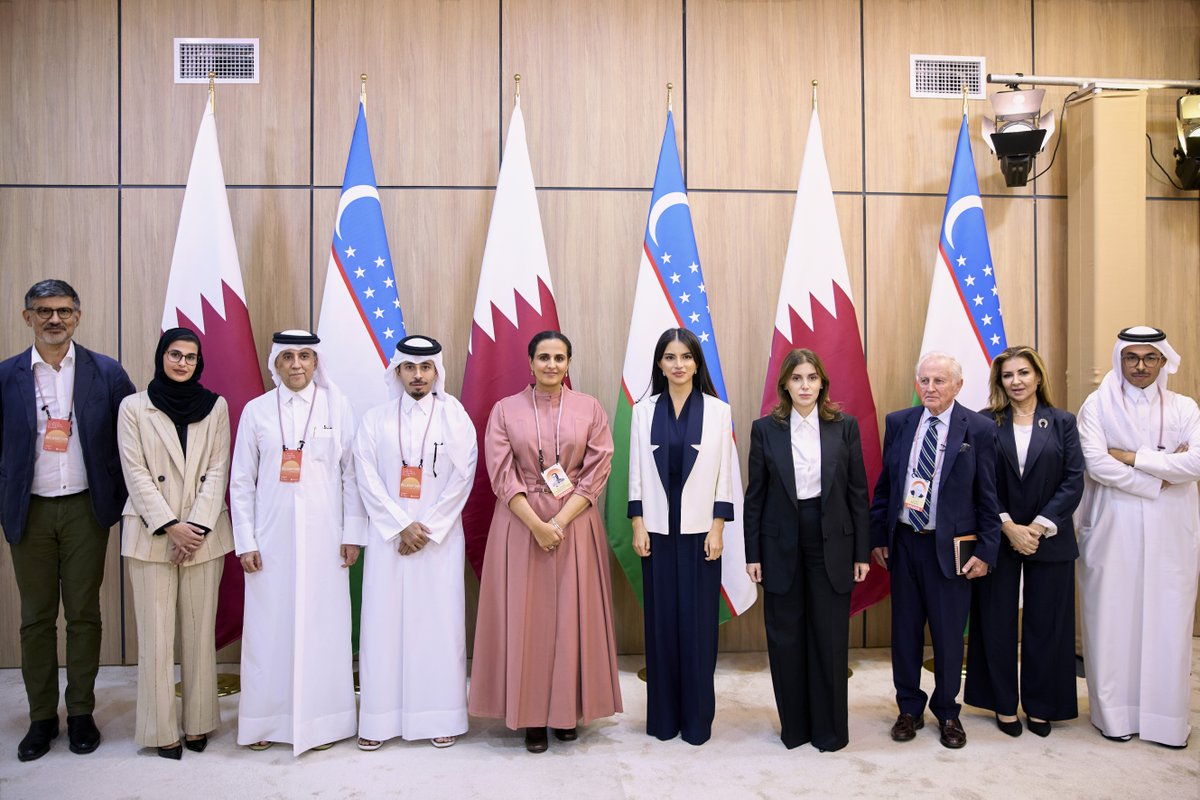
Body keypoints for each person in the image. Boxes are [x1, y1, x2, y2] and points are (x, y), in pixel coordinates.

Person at [468, 331, 622, 754]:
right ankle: (531, 716)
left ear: (569, 362)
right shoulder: (505, 410)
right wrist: (537, 525)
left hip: (576, 521)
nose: (551, 365)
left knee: (572, 618)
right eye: (543, 357)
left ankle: (567, 712)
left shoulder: (589, 407)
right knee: (528, 621)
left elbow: (598, 468)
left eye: (559, 357)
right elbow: (500, 473)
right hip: (520, 523)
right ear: (530, 362)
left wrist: (560, 520)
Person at [0, 279, 135, 762]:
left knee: (83, 615)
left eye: (63, 311)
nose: (54, 319)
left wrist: (120, 498)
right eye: (43, 311)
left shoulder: (107, 372)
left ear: (77, 316)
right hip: (29, 510)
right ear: (27, 317)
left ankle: (80, 712)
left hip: (85, 510)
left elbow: (131, 440)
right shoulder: (6, 375)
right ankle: (41, 718)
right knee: (36, 618)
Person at [230, 330, 366, 755]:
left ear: (315, 362)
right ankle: (265, 721)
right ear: (275, 363)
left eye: (305, 356)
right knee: (268, 630)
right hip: (270, 541)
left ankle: (323, 724)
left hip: (327, 539)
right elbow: (241, 481)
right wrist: (245, 541)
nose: (296, 364)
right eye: (287, 357)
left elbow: (351, 475)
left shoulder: (336, 406)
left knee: (324, 629)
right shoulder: (256, 411)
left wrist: (352, 533)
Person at [1076, 326, 1200, 748]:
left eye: (1150, 358)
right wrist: (1158, 476)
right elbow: (1096, 463)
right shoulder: (1097, 405)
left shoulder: (1184, 407)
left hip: (1171, 529)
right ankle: (1114, 717)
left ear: (1163, 361)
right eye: (1132, 357)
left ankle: (1165, 721)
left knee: (1169, 620)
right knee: (1112, 619)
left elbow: (1196, 462)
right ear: (1120, 359)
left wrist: (1131, 456)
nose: (1141, 366)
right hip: (1115, 526)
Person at [869, 351, 999, 749]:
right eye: (924, 380)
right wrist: (878, 537)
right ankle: (908, 708)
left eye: (939, 381)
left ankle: (947, 712)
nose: (930, 388)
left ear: (958, 385)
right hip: (905, 543)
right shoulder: (899, 423)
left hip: (951, 550)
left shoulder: (979, 429)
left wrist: (986, 550)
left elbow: (989, 496)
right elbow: (886, 486)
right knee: (905, 634)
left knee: (947, 637)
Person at [353, 335, 477, 751]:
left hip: (438, 541)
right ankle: (378, 720)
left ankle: (440, 716)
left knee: (438, 626)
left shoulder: (455, 416)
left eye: (426, 368)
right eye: (410, 367)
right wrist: (400, 525)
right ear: (398, 372)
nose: (418, 375)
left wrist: (427, 528)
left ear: (436, 371)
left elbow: (464, 476)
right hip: (389, 539)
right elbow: (366, 476)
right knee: (382, 627)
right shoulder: (375, 419)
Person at [743, 348, 870, 752]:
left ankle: (829, 731)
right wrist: (752, 554)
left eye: (812, 378)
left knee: (829, 637)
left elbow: (858, 493)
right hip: (779, 543)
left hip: (832, 540)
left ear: (822, 383)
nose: (804, 386)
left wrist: (862, 553)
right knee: (786, 637)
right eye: (796, 378)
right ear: (784, 384)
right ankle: (795, 729)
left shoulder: (844, 426)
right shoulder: (765, 429)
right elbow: (755, 497)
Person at [117, 328, 234, 759]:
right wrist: (171, 526)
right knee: (155, 636)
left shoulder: (216, 406)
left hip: (204, 535)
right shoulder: (134, 406)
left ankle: (199, 721)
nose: (182, 362)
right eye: (175, 354)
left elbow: (218, 468)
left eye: (190, 356)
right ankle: (159, 729)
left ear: (199, 362)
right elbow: (134, 471)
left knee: (200, 634)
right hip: (152, 534)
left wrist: (194, 527)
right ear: (160, 357)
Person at [964, 345, 1084, 738]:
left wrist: (1037, 527)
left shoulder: (1063, 422)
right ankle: (1001, 703)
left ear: (1038, 376)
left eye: (1023, 373)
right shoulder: (985, 422)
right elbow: (978, 480)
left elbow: (1073, 479)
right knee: (995, 621)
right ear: (999, 381)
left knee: (1047, 624)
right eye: (1008, 375)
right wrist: (1008, 526)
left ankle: (1042, 705)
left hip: (1048, 537)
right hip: (997, 536)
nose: (1016, 381)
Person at [628, 327, 733, 746]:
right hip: (656, 531)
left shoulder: (718, 410)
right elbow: (636, 471)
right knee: (662, 625)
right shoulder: (642, 410)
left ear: (696, 363)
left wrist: (718, 526)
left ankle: (696, 721)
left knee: (698, 626)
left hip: (700, 533)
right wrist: (637, 523)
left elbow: (725, 473)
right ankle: (663, 719)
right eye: (670, 357)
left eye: (686, 357)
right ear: (659, 363)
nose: (678, 364)